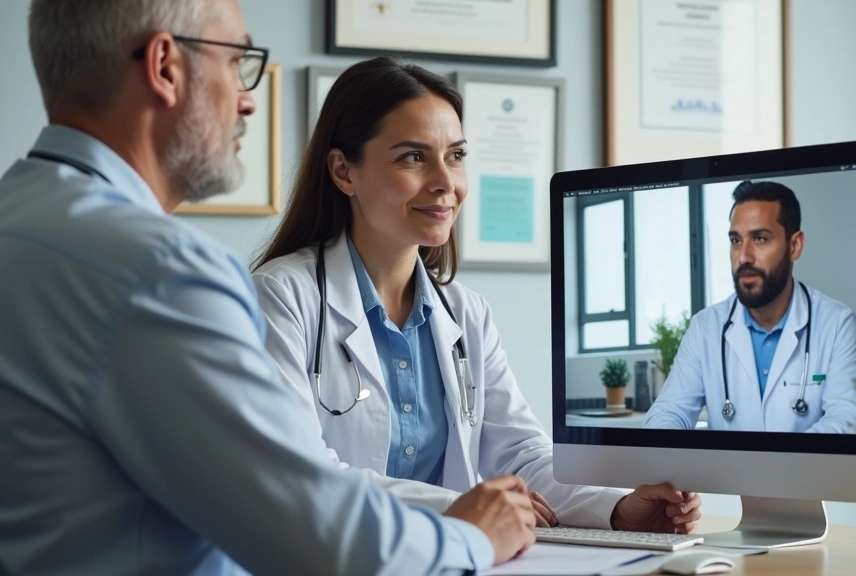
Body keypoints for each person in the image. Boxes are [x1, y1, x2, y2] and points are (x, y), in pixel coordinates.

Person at [0, 1, 542, 574]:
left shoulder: (22, 219)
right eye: (238, 62)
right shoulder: (159, 271)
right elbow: (313, 531)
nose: (248, 98)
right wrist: (473, 537)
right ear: (164, 67)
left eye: (455, 156)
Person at [249, 56, 704, 533]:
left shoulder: (465, 312)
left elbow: (521, 454)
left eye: (456, 156)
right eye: (413, 157)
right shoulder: (281, 300)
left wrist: (615, 508)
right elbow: (302, 473)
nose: (447, 183)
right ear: (344, 171)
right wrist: (460, 510)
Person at [644, 181, 856, 433]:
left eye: (760, 238)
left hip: (803, 474)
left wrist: (777, 465)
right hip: (724, 474)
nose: (743, 257)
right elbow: (668, 411)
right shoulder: (705, 327)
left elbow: (849, 419)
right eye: (735, 240)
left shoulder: (836, 323)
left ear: (794, 246)